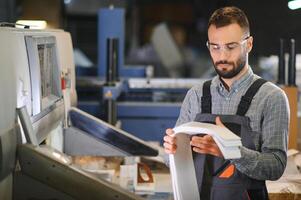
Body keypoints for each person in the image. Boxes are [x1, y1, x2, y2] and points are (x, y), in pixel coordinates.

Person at [163, 6, 290, 200]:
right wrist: (172, 150)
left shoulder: (271, 97)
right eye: (215, 47)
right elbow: (175, 158)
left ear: (248, 44)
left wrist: (231, 151)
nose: (222, 56)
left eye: (231, 47)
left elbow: (276, 166)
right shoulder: (196, 96)